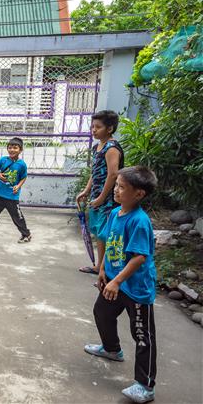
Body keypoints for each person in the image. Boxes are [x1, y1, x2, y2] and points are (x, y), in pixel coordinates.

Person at [84, 166, 158, 404]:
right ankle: (112, 349)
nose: (116, 190)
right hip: (114, 280)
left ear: (139, 194)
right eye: (116, 185)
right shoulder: (116, 213)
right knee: (102, 313)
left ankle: (145, 386)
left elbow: (139, 257)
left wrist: (116, 280)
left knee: (142, 336)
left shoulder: (139, 221)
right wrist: (103, 270)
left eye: (121, 187)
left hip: (135, 288)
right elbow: (108, 241)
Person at [76, 110, 124, 275]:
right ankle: (100, 268)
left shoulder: (112, 148)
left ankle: (106, 270)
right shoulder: (98, 147)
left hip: (109, 199)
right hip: (98, 195)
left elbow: (112, 174)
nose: (93, 130)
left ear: (109, 129)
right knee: (98, 232)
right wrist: (86, 191)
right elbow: (95, 172)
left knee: (106, 234)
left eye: (98, 127)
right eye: (92, 127)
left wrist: (102, 197)